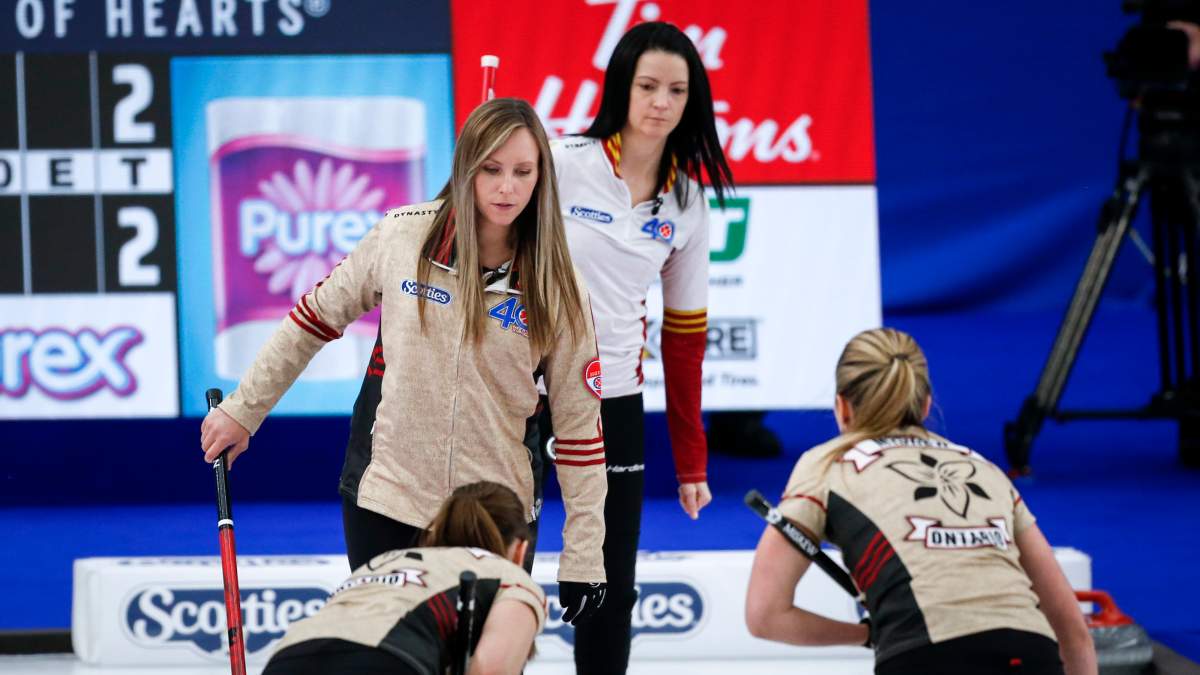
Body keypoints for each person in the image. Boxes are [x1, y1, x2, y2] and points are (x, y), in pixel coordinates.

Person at [200, 98, 608, 625]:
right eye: (492, 169)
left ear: (541, 177)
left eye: (523, 172)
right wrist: (243, 409)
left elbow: (580, 430)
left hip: (494, 511)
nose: (508, 187)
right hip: (387, 497)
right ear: (465, 167)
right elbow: (312, 319)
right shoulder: (401, 237)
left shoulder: (561, 283)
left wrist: (583, 554)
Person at [545, 21, 734, 675]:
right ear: (620, 87)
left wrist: (692, 463)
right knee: (496, 560)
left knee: (608, 580)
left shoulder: (687, 199)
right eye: (647, 85)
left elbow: (684, 340)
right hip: (520, 395)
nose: (661, 101)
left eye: (677, 90)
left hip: (612, 402)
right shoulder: (561, 163)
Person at [744, 328, 1097, 675]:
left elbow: (765, 616)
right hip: (1031, 655)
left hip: (924, 656)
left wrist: (865, 635)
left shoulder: (825, 464)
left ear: (841, 407)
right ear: (926, 404)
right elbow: (1074, 634)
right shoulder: (983, 468)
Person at [262, 481, 546, 675]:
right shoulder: (506, 574)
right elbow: (490, 670)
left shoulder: (383, 562)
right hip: (385, 662)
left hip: (285, 659)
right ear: (520, 549)